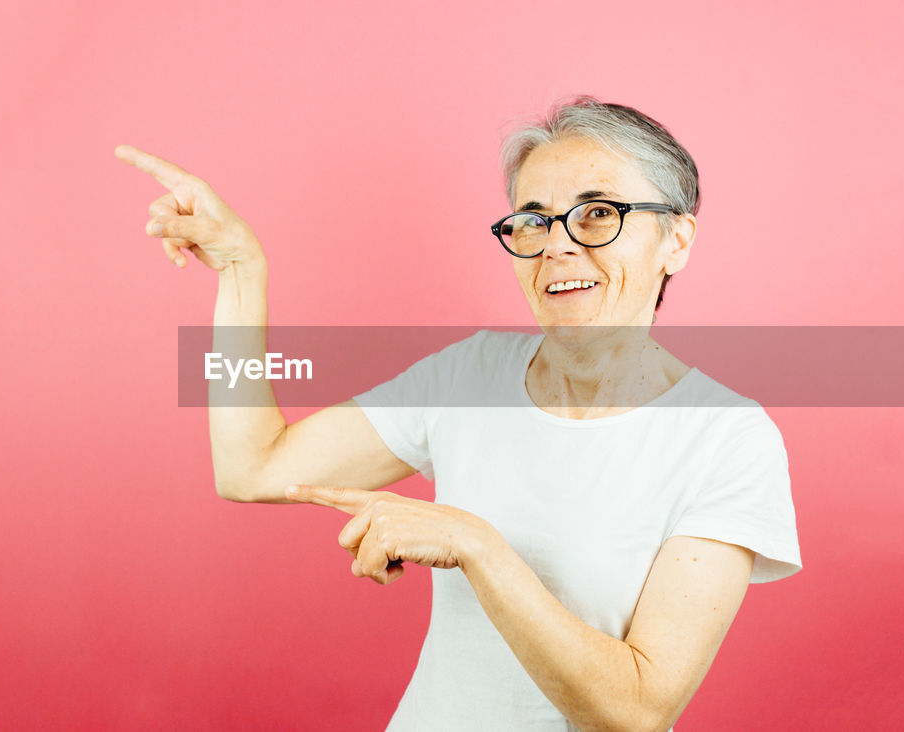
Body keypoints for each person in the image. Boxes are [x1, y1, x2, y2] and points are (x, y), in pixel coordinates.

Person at [115, 94, 801, 732]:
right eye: (533, 220)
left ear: (676, 241)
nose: (558, 244)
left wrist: (477, 546)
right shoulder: (471, 373)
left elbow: (636, 712)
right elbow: (252, 467)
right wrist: (242, 273)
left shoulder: (728, 440)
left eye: (598, 213)